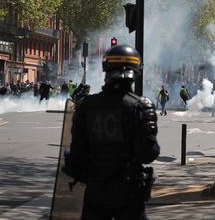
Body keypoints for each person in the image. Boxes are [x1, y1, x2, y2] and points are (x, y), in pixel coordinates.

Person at [67, 44, 160, 220]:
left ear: (106, 69)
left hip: (95, 192)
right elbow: (147, 154)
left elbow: (76, 155)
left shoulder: (87, 106)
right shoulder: (140, 107)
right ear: (136, 70)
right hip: (128, 194)